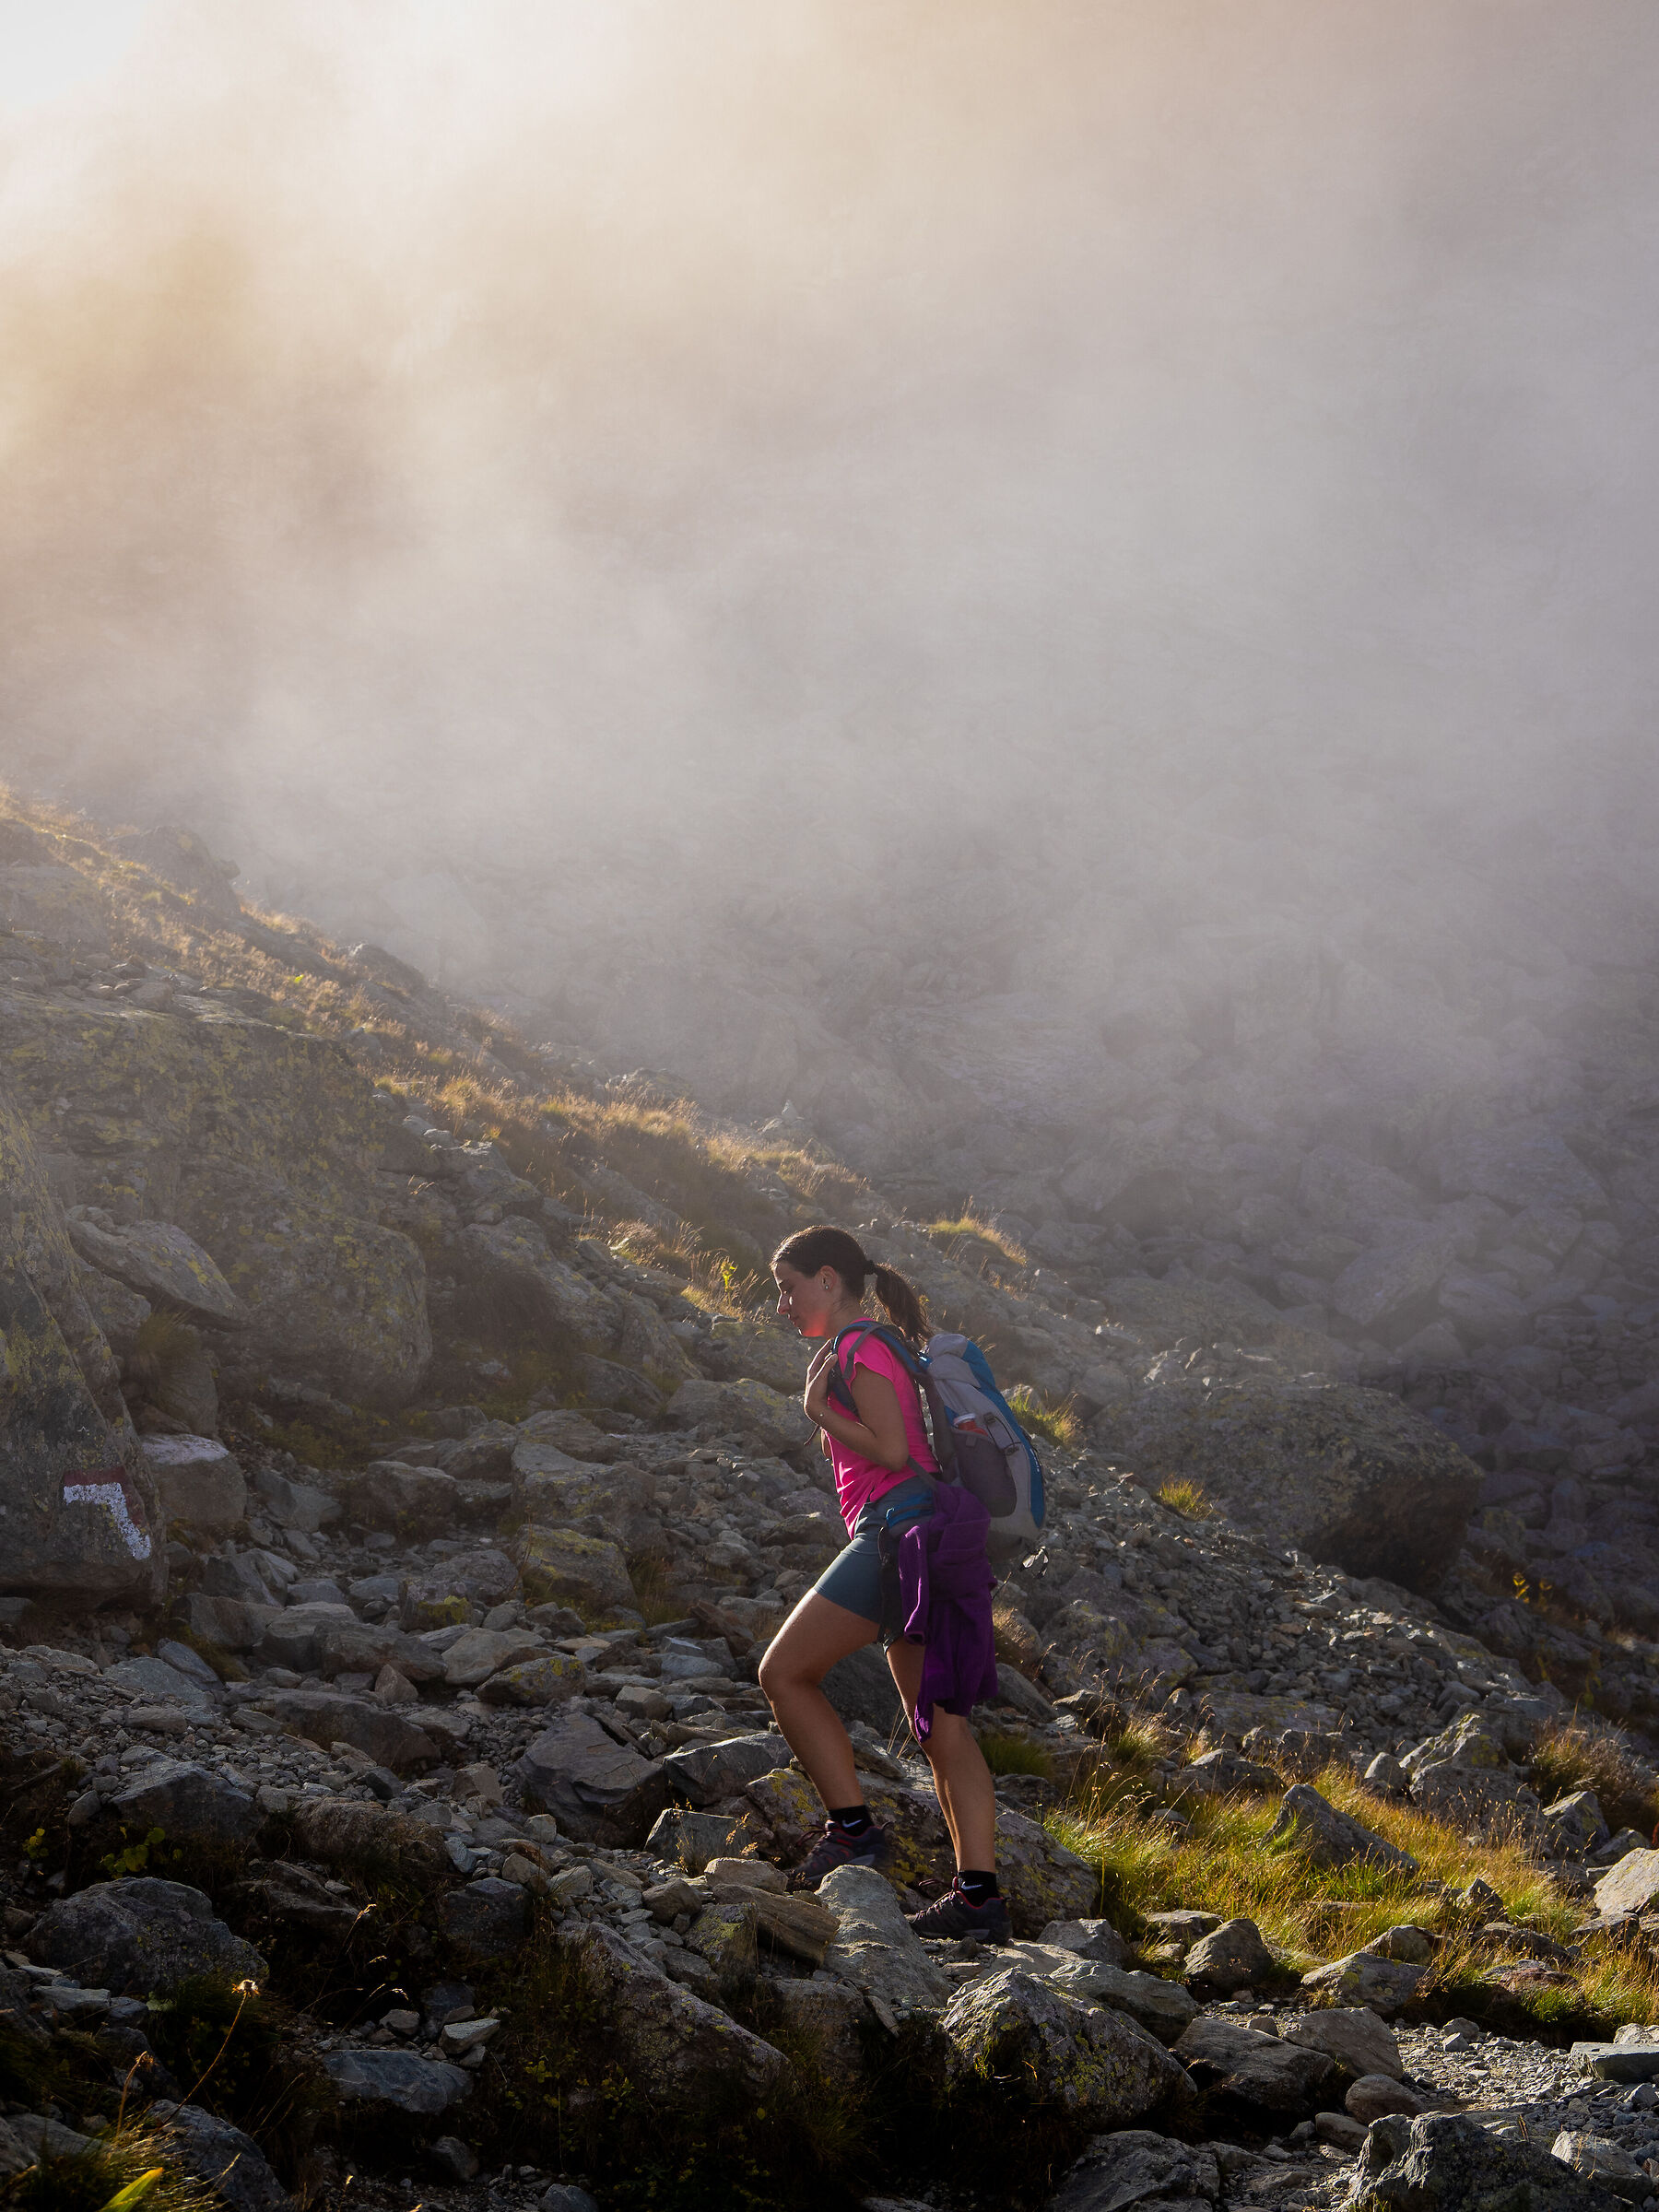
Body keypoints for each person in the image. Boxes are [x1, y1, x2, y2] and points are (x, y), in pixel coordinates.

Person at [756, 1224, 1009, 1944]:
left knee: (784, 1673)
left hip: (898, 1534)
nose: (783, 1305)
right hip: (927, 1536)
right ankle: (979, 1899)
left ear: (829, 1280)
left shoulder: (860, 1348)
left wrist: (820, 1413)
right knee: (940, 1726)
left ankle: (853, 1830)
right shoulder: (876, 1345)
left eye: (788, 1287)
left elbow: (894, 1451)